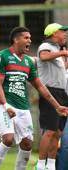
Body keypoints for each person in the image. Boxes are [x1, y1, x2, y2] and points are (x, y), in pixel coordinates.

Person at [0, 26, 68, 170]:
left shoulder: (28, 62)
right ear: (16, 39)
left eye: (30, 38)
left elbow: (40, 86)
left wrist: (57, 106)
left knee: (27, 144)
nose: (30, 41)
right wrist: (6, 105)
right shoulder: (2, 56)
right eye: (26, 38)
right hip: (6, 104)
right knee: (8, 139)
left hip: (23, 107)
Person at [35, 23, 68, 170]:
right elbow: (43, 56)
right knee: (49, 131)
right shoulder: (46, 46)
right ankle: (41, 166)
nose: (65, 35)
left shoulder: (58, 49)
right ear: (54, 33)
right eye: (63, 32)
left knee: (57, 132)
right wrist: (63, 54)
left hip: (61, 93)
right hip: (50, 92)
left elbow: (60, 69)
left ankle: (51, 165)